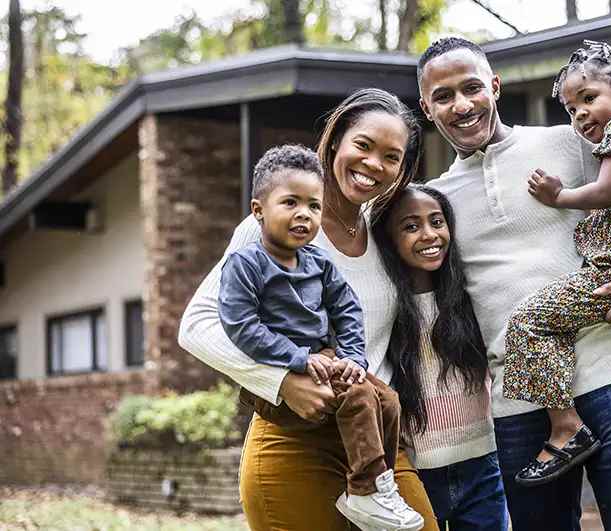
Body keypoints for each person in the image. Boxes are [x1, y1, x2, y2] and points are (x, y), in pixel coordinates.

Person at [418, 37, 611, 530]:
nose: (461, 105)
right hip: (520, 402)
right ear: (427, 108)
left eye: (471, 88)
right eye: (443, 96)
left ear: (494, 87)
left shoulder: (573, 142)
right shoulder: (435, 202)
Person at [179, 88, 441, 531]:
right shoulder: (275, 226)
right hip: (295, 437)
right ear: (335, 141)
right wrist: (282, 381)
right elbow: (197, 324)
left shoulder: (385, 228)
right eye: (363, 145)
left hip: (375, 444)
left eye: (391, 157)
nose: (373, 164)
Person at [217, 143, 423, 531]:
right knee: (360, 397)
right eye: (290, 203)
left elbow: (348, 311)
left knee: (388, 401)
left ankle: (377, 485)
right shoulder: (246, 264)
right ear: (258, 211)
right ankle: (365, 490)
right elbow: (241, 326)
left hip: (326, 366)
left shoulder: (318, 262)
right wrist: (298, 359)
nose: (304, 214)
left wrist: (353, 359)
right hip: (286, 386)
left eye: (314, 206)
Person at [503, 40, 611, 487]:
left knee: (528, 321)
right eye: (571, 108)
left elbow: (606, 192)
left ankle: (566, 428)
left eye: (588, 98)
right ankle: (564, 419)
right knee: (546, 320)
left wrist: (558, 196)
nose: (580, 114)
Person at [372, 185, 508, 531]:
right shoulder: (383, 309)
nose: (430, 235)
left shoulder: (471, 297)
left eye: (437, 222)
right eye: (411, 226)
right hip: (412, 471)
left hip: (482, 466)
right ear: (389, 239)